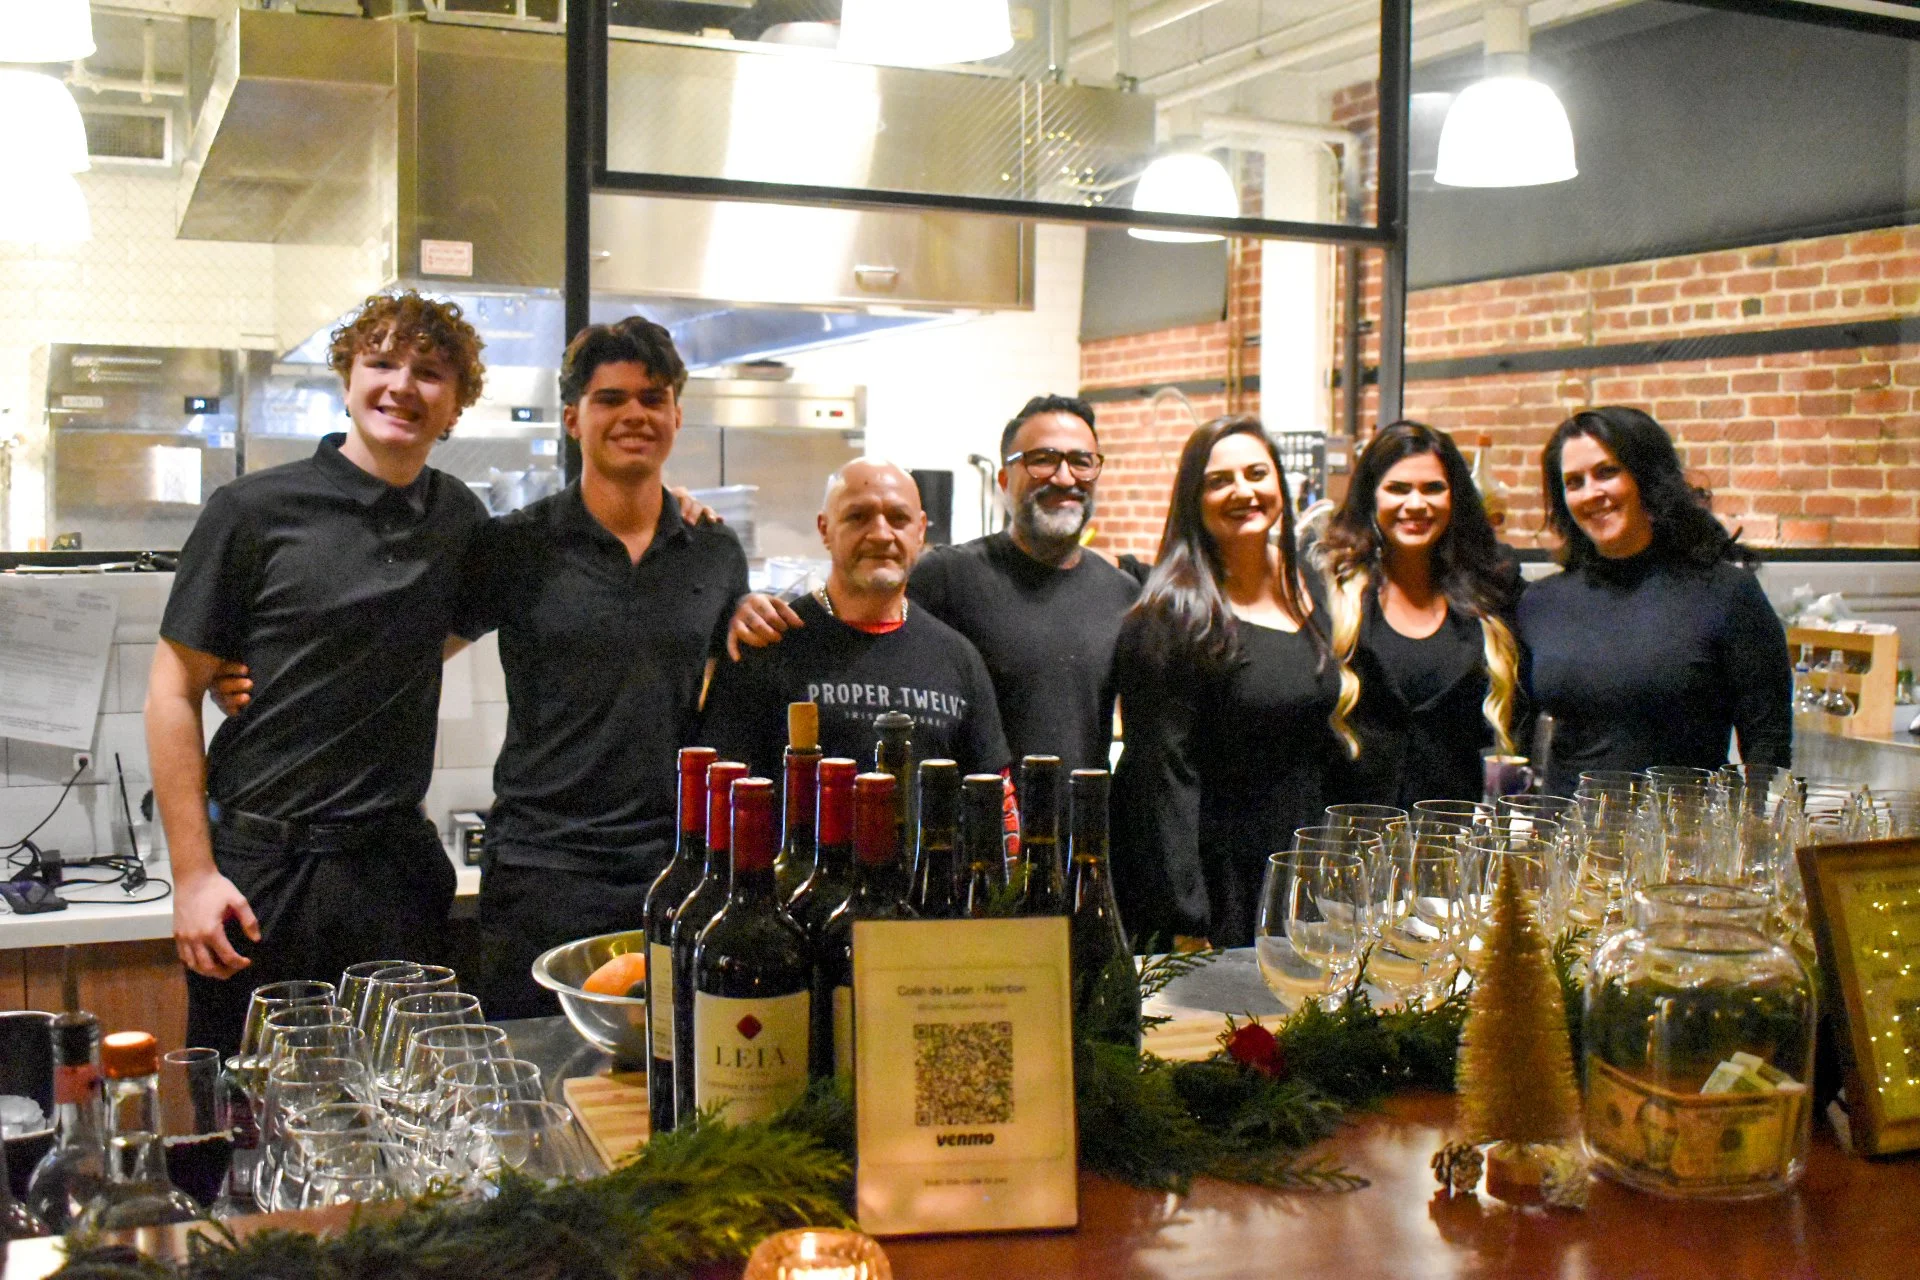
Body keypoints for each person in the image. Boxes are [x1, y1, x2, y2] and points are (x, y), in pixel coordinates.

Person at [146, 291, 489, 1056]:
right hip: (263, 877)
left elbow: (444, 629)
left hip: (394, 873)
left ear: (456, 406)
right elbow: (170, 690)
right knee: (252, 1115)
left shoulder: (461, 519)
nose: (403, 385)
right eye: (382, 362)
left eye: (431, 372)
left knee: (403, 1117)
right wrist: (193, 875)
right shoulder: (252, 511)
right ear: (346, 381)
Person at [459, 317, 749, 1017]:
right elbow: (408, 656)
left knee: (666, 1089)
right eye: (610, 398)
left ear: (677, 415)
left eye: (652, 399)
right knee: (528, 1084)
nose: (634, 415)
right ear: (572, 419)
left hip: (672, 872)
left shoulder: (715, 553)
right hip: (541, 870)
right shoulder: (516, 546)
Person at [726, 395, 1139, 773]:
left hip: (1072, 841)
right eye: (1043, 459)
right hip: (959, 838)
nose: (1065, 477)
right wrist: (742, 606)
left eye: (1082, 461)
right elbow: (866, 615)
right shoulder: (948, 577)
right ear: (1003, 479)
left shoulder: (1121, 594)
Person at [1110, 415, 1338, 950]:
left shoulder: (1309, 585)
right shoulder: (1170, 614)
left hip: (1304, 872)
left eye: (1258, 473)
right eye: (1220, 481)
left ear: (1280, 483)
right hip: (1221, 888)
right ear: (1194, 497)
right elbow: (1161, 777)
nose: (1244, 491)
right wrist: (1186, 918)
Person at [1518, 406, 1792, 795]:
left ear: (1646, 475)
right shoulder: (1541, 603)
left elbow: (1768, 749)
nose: (1591, 493)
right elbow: (1518, 743)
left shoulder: (1726, 596)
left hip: (1675, 844)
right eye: (1574, 482)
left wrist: (1754, 837)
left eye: (1607, 472)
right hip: (1566, 842)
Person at [701, 459, 1010, 781]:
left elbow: (994, 795)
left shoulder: (958, 658)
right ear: (825, 529)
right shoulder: (767, 644)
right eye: (857, 517)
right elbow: (720, 794)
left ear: (920, 531)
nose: (880, 534)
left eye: (898, 518)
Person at [1318, 421, 1524, 808]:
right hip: (1353, 840)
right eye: (1397, 488)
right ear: (1371, 498)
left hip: (1455, 842)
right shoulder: (1331, 592)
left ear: (1455, 497)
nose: (1416, 504)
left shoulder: (1495, 593)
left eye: (1433, 488)